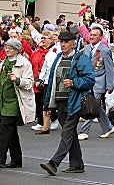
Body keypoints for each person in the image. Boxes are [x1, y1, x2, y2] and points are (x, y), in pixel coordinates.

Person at [40, 31, 95, 176]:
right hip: (60, 102)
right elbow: (52, 82)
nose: (63, 44)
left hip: (74, 101)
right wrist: (48, 105)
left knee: (66, 133)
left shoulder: (80, 59)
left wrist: (74, 82)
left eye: (66, 42)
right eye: (61, 42)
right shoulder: (58, 58)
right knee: (70, 134)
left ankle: (54, 163)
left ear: (73, 44)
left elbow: (90, 79)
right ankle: (77, 164)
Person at [0, 39, 34, 168]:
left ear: (17, 49)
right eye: (6, 47)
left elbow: (29, 82)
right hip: (2, 101)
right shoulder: (4, 62)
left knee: (4, 130)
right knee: (11, 132)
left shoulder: (24, 63)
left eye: (10, 48)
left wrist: (18, 80)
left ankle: (1, 158)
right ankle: (16, 160)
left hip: (14, 102)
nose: (7, 50)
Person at [78, 26, 114, 140]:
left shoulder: (105, 50)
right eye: (91, 34)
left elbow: (109, 69)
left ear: (100, 37)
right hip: (87, 81)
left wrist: (110, 85)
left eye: (95, 35)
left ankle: (84, 131)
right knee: (97, 107)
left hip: (99, 82)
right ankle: (108, 127)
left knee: (92, 105)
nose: (92, 37)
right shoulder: (87, 48)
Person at [29, 31, 56, 134]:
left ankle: (54, 118)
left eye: (45, 38)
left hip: (50, 79)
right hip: (39, 78)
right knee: (39, 100)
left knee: (47, 101)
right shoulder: (37, 51)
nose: (43, 40)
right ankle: (41, 122)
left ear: (51, 40)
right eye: (42, 38)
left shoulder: (54, 51)